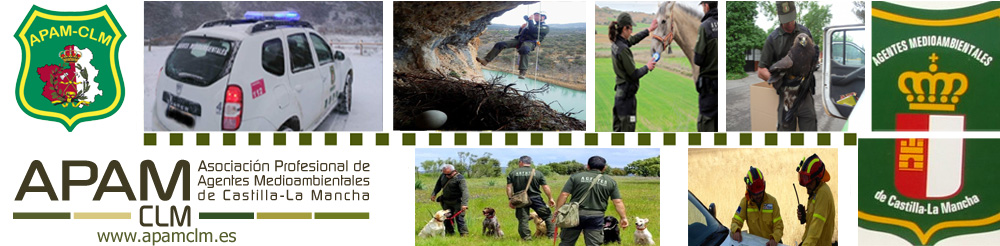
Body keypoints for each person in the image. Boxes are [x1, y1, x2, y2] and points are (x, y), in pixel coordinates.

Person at [757, 1, 819, 131]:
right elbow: (761, 71)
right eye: (786, 20)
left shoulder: (805, 33)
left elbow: (812, 58)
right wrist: (781, 83)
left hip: (804, 90)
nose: (789, 23)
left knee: (810, 128)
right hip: (786, 94)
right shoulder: (773, 39)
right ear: (779, 17)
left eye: (791, 19)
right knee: (785, 132)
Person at [554, 156, 628, 246]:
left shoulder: (576, 177)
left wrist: (558, 210)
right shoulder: (610, 181)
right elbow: (618, 202)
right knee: (593, 244)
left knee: (566, 243)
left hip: (574, 215)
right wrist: (623, 218)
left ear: (588, 166)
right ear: (604, 168)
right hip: (596, 217)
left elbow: (564, 195)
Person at [609, 12, 663, 132]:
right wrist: (647, 67)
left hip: (619, 96)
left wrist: (649, 29)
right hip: (627, 100)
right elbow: (634, 74)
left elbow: (632, 40)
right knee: (628, 130)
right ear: (625, 28)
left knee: (618, 131)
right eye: (631, 29)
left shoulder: (617, 44)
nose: (631, 32)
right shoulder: (623, 49)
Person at [477, 11, 550, 79]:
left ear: (543, 17)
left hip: (531, 42)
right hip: (520, 40)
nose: (535, 17)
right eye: (535, 16)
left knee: (525, 49)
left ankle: (522, 72)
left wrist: (530, 20)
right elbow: (520, 33)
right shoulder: (531, 25)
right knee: (500, 44)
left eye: (537, 16)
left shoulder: (545, 27)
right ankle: (486, 60)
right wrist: (521, 28)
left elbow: (533, 30)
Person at [730, 167, 783, 246]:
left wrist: (774, 238)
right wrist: (736, 230)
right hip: (756, 243)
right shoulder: (745, 203)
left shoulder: (772, 202)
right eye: (755, 194)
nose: (758, 196)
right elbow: (735, 221)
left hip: (773, 244)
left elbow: (779, 226)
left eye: (760, 193)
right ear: (749, 191)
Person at [506, 155, 556, 240]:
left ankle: (527, 239)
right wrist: (550, 198)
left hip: (520, 199)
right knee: (548, 216)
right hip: (536, 198)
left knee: (523, 219)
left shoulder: (513, 173)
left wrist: (511, 199)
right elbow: (545, 187)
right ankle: (552, 236)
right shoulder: (538, 173)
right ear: (530, 163)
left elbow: (509, 188)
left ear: (521, 162)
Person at [796, 154, 836, 246]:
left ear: (817, 179)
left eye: (809, 182)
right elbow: (815, 220)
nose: (806, 185)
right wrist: (805, 217)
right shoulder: (815, 192)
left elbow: (815, 231)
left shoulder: (822, 194)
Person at [694, 1, 719, 132]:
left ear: (706, 6)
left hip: (709, 87)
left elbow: (698, 59)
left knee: (706, 124)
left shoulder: (705, 26)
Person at [430, 164, 470, 236]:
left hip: (457, 202)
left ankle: (464, 234)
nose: (446, 176)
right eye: (445, 174)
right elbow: (438, 185)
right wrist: (434, 194)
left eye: (448, 174)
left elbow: (465, 191)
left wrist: (464, 204)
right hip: (446, 201)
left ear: (454, 171)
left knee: (459, 218)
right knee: (446, 217)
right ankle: (450, 233)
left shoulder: (460, 178)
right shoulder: (443, 175)